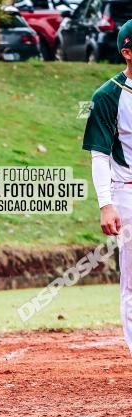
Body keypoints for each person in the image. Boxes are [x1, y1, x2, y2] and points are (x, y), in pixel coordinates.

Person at [83, 20, 132, 356]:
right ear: (127, 52)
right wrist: (105, 203)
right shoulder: (108, 96)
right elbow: (100, 155)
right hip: (126, 191)